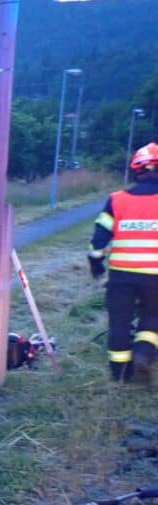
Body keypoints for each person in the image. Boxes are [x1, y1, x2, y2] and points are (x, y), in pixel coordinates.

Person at [88, 142, 158, 384]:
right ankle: (143, 353)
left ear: (136, 170)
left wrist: (96, 263)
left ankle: (120, 374)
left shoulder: (117, 200)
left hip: (120, 275)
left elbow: (99, 238)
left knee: (119, 321)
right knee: (153, 317)